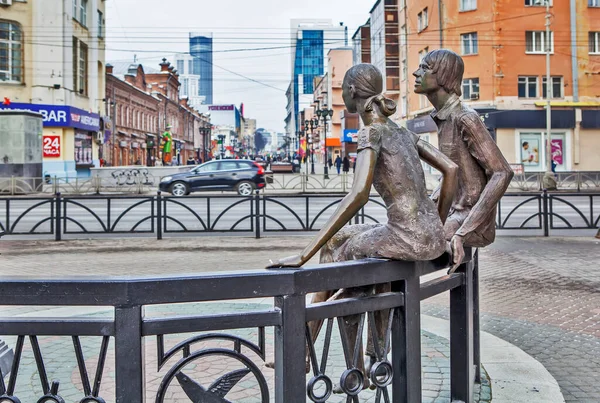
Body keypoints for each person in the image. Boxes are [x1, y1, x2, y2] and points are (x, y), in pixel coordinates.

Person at [268, 63, 458, 389]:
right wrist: (436, 227)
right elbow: (451, 170)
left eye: (343, 90)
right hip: (430, 236)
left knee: (339, 254)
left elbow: (358, 195)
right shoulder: (404, 132)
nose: (343, 95)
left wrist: (303, 254)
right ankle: (370, 357)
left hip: (406, 237)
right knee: (347, 240)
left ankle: (352, 362)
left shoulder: (371, 132)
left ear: (352, 93)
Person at [413, 49, 513, 271]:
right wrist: (429, 204)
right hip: (453, 215)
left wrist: (463, 232)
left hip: (467, 221)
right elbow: (455, 173)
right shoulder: (444, 118)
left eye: (424, 68)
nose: (415, 73)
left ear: (443, 75)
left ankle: (395, 305)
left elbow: (502, 172)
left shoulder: (465, 118)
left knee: (409, 246)